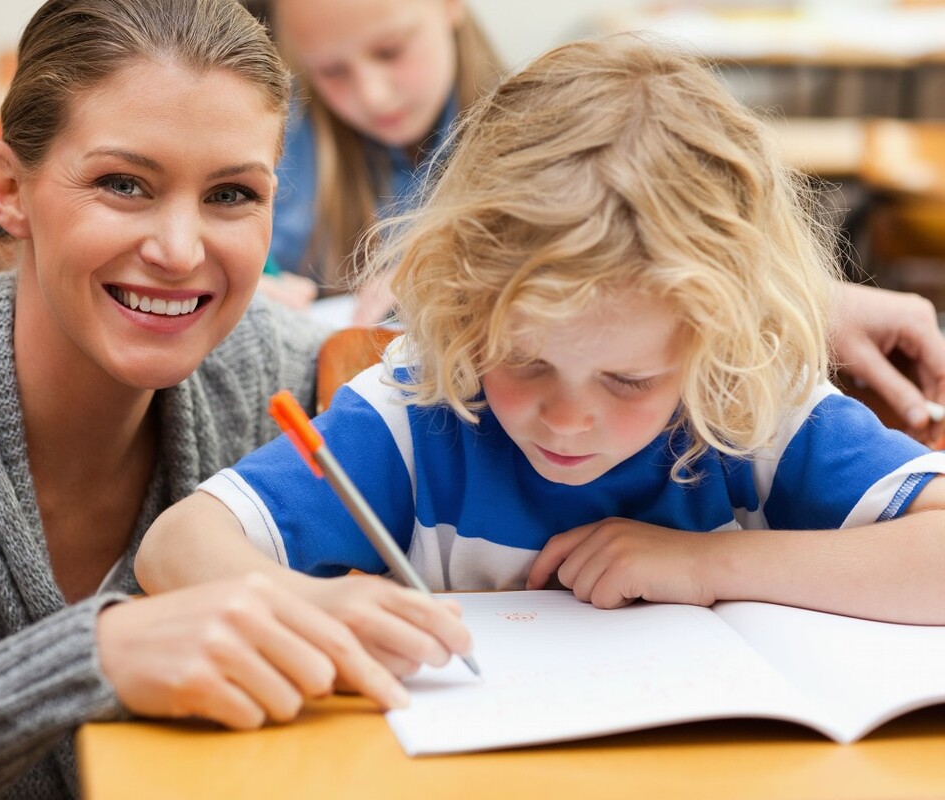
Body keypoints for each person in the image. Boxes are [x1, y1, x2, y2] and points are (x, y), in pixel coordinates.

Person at [0, 1, 476, 797]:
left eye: (231, 195)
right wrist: (98, 656)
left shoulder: (293, 377)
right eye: (123, 184)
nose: (179, 250)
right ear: (8, 189)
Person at [136, 35, 945, 648]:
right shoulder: (422, 411)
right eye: (525, 360)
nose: (565, 418)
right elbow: (178, 546)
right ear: (464, 307)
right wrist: (320, 608)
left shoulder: (746, 403)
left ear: (714, 341)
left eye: (628, 380)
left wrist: (707, 568)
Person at [256, 0, 503, 316]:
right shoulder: (276, 134)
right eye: (331, 71)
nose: (374, 97)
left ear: (450, 5)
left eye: (390, 51)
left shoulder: (541, 132)